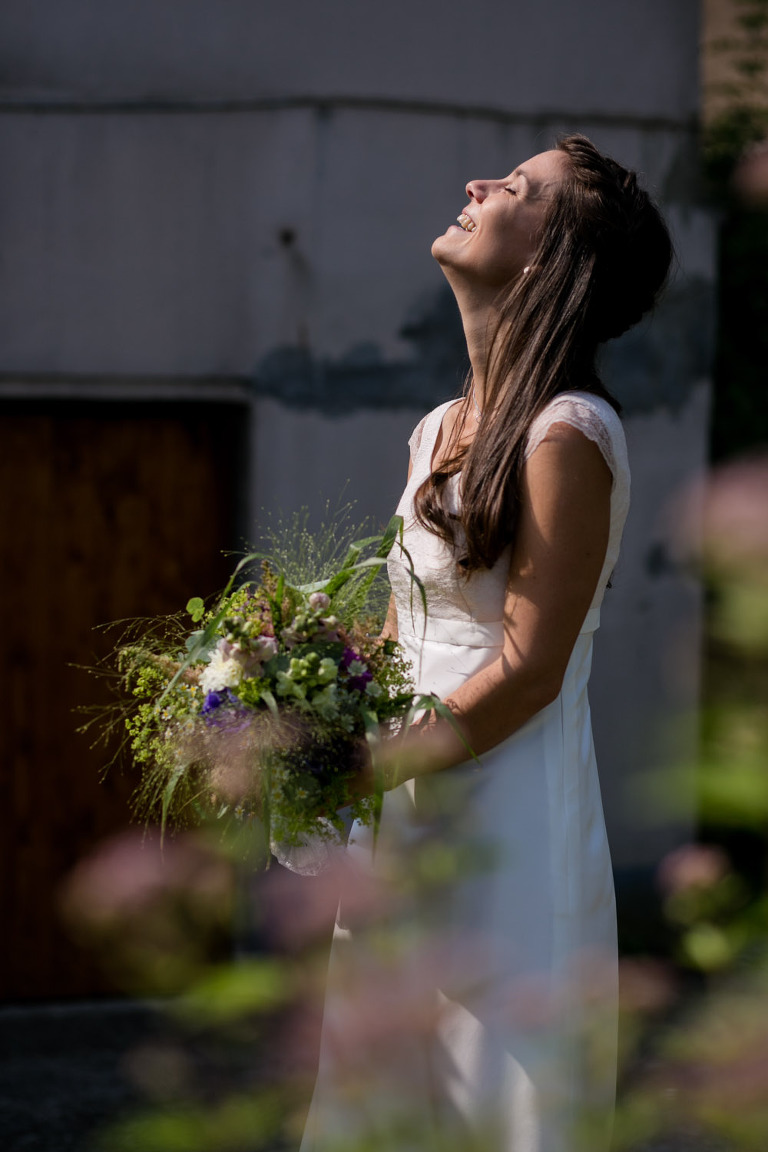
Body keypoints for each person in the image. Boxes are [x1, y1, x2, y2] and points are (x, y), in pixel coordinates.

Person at [297, 134, 673, 1152]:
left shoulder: (567, 434)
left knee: (488, 1095)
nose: (475, 185)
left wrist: (369, 765)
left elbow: (532, 668)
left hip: (504, 818)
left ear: (550, 261)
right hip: (406, 805)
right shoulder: (436, 428)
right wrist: (290, 684)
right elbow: (401, 626)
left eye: (512, 188)